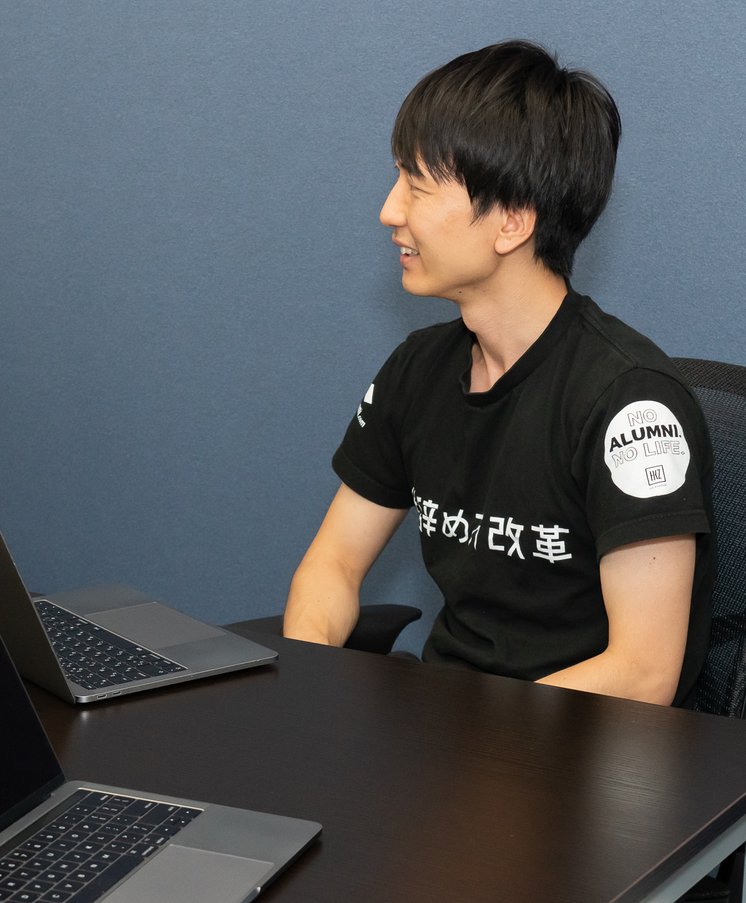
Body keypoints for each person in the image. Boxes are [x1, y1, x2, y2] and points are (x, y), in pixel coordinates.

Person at [282, 41, 714, 706]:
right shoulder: (417, 370)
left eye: (417, 187)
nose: (390, 211)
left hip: (577, 747)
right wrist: (309, 682)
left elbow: (643, 672)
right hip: (445, 732)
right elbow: (333, 565)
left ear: (511, 221)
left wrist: (469, 742)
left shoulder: (630, 405)